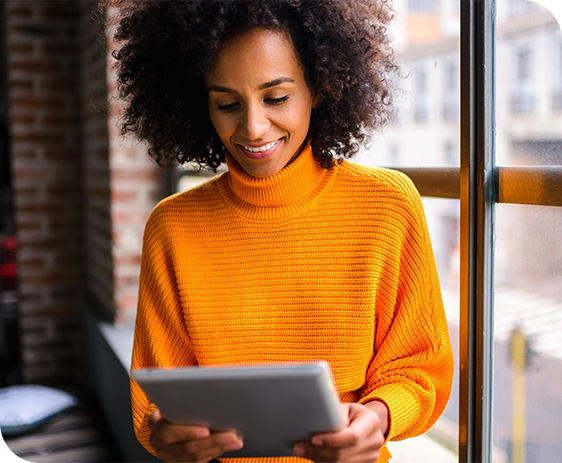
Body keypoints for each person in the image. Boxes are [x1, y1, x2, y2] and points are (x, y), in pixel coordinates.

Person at [108, 1, 454, 462]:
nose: (252, 127)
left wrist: (379, 415)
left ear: (319, 86)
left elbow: (420, 366)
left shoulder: (388, 205)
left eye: (276, 97)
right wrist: (166, 437)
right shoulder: (172, 227)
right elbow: (153, 405)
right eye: (227, 103)